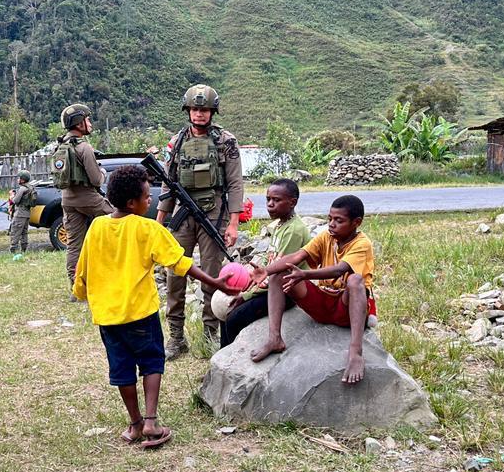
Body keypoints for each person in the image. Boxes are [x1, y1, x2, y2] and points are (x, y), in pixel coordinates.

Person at [73, 165, 235, 449]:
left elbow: (82, 269)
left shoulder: (97, 226)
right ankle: (151, 422)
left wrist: (81, 292)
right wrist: (214, 282)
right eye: (147, 196)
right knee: (151, 363)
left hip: (108, 317)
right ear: (131, 202)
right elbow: (180, 263)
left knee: (121, 370)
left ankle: (134, 424)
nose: (151, 200)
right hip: (141, 314)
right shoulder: (147, 228)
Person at [249, 194, 376, 385]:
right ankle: (274, 339)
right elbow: (297, 256)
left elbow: (340, 269)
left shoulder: (362, 243)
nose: (331, 224)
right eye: (330, 218)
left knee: (356, 281)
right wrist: (267, 271)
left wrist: (305, 275)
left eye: (339, 220)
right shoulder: (327, 236)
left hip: (346, 310)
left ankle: (355, 352)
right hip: (323, 306)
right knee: (278, 276)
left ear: (356, 222)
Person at [157, 84, 245, 358]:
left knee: (212, 276)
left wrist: (233, 224)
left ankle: (210, 333)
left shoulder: (225, 141)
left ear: (212, 112)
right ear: (188, 110)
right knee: (175, 275)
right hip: (183, 215)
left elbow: (235, 184)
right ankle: (176, 337)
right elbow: (167, 184)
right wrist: (159, 222)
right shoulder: (176, 142)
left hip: (214, 214)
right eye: (195, 109)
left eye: (204, 110)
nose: (199, 114)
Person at [220, 179, 309, 348]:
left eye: (276, 200)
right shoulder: (281, 225)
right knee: (226, 313)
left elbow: (279, 271)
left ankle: (232, 359)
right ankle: (221, 358)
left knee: (234, 319)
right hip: (273, 286)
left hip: (287, 292)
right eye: (268, 199)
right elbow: (270, 260)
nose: (270, 204)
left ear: (292, 202)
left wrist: (246, 296)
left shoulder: (294, 231)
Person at [50, 103, 113, 289]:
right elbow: (96, 180)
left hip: (67, 200)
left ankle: (76, 287)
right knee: (121, 220)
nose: (90, 123)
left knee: (74, 245)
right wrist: (103, 173)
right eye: (87, 119)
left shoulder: (61, 146)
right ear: (79, 124)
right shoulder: (84, 147)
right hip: (88, 198)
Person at [8, 169, 36, 258]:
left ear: (23, 180)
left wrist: (12, 196)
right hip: (27, 214)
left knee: (15, 232)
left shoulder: (22, 189)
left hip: (19, 214)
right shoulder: (30, 187)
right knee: (24, 233)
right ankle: (23, 251)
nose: (18, 179)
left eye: (19, 178)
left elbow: (15, 201)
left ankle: (13, 251)